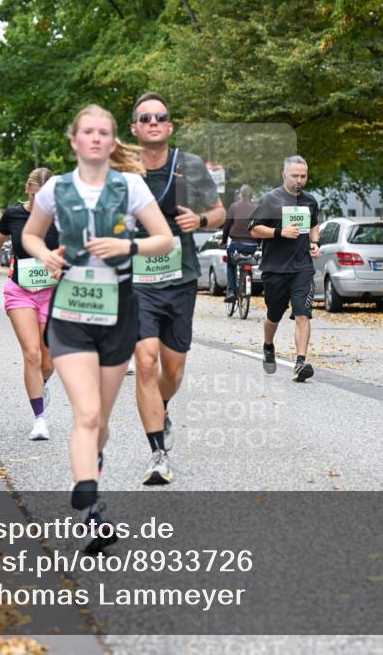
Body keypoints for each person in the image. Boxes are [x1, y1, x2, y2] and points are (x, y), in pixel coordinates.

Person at [21, 104, 173, 551]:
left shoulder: (131, 187)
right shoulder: (55, 188)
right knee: (86, 413)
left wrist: (128, 246)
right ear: (74, 140)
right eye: (86, 131)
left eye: (103, 132)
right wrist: (44, 255)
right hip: (71, 312)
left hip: (117, 311)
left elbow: (164, 239)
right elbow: (30, 235)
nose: (94, 138)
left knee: (101, 420)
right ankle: (90, 507)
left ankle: (93, 476)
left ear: (112, 141)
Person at [128, 91, 225, 485]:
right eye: (145, 118)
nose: (153, 122)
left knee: (173, 368)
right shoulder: (121, 170)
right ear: (134, 128)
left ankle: (161, 406)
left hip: (180, 276)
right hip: (136, 281)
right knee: (145, 362)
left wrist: (199, 222)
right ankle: (157, 455)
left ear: (169, 127)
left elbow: (219, 212)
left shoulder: (190, 165)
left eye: (160, 117)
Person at [0, 168, 60, 441]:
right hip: (20, 292)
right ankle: (39, 419)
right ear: (28, 190)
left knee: (48, 361)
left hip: (53, 293)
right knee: (32, 354)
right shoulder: (14, 215)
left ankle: (42, 382)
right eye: (38, 196)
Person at [248, 155, 321, 382]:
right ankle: (268, 345)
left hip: (302, 268)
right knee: (274, 315)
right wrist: (280, 232)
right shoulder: (270, 200)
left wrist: (315, 242)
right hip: (275, 268)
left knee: (303, 314)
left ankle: (300, 363)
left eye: (303, 176)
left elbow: (314, 224)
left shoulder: (310, 201)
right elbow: (254, 229)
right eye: (295, 176)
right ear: (284, 175)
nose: (299, 180)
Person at [221, 184, 259, 302]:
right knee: (248, 261)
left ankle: (231, 291)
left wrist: (223, 240)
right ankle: (248, 280)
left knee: (231, 264)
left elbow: (227, 226)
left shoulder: (234, 206)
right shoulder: (256, 208)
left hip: (236, 244)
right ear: (251, 195)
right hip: (253, 245)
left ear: (240, 195)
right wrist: (259, 242)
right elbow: (259, 226)